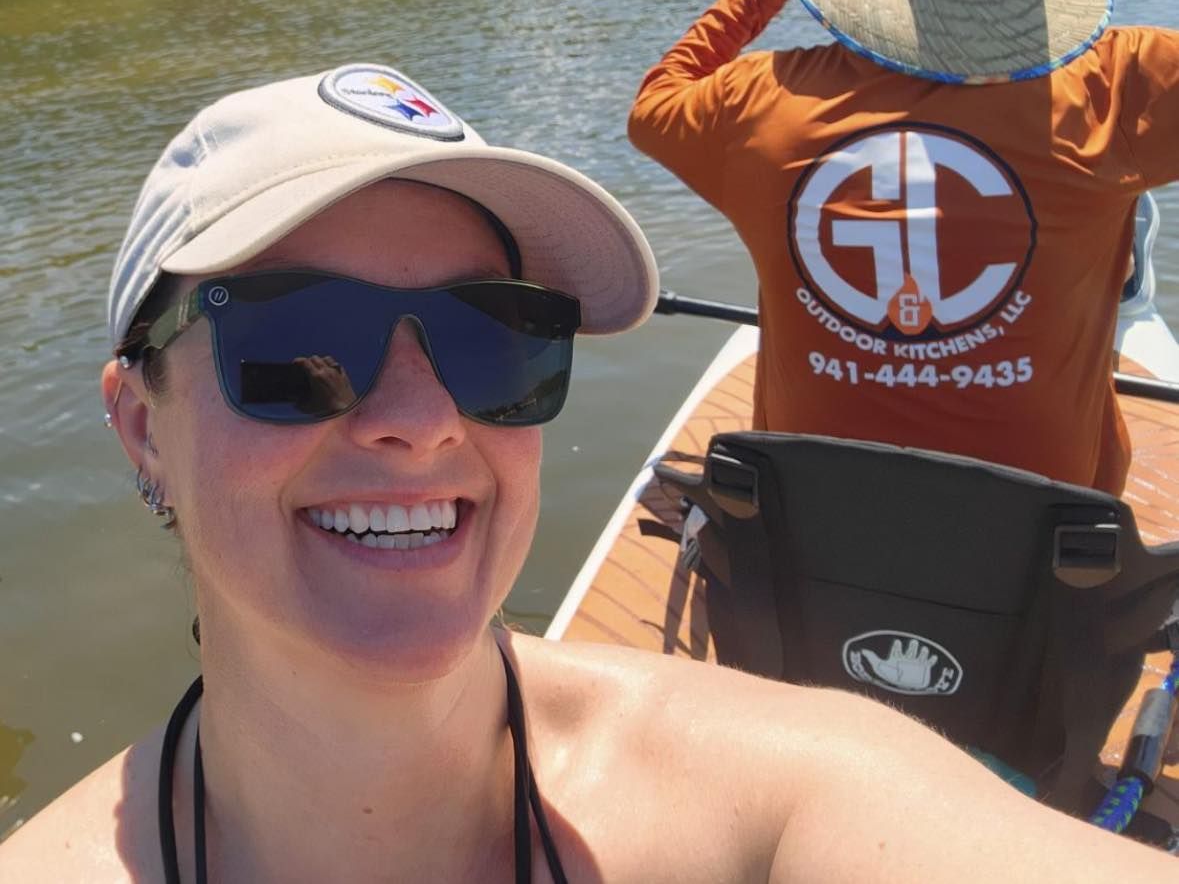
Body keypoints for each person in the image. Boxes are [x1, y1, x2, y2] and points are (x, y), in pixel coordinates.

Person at [1, 61, 1174, 883]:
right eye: (297, 347)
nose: (422, 421)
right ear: (141, 425)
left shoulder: (788, 801)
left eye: (494, 338)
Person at [629, 0, 1179, 495]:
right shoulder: (1117, 87)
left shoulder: (761, 104)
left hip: (814, 529)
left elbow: (655, 101)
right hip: (1051, 542)